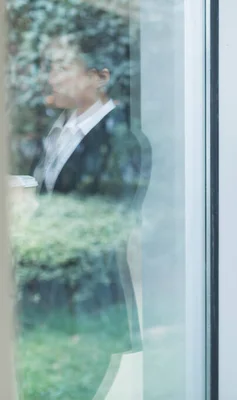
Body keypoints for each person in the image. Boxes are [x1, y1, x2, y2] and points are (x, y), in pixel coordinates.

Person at [27, 11, 151, 398]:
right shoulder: (59, 130)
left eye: (63, 67)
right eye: (50, 67)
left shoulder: (124, 141)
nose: (52, 77)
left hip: (87, 307)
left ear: (101, 76)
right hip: (47, 301)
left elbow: (100, 228)